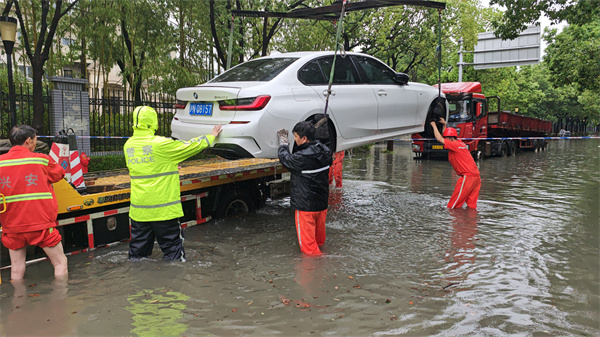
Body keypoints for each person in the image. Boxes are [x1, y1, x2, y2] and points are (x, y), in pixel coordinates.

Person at [124, 106, 222, 261]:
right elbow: (189, 146)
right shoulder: (161, 144)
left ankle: (138, 283)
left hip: (139, 212)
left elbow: (147, 166)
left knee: (137, 256)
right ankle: (173, 284)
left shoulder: (128, 145)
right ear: (153, 122)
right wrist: (210, 137)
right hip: (164, 211)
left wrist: (168, 164)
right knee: (174, 255)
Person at [0, 125, 67, 280]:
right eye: (35, 139)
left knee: (16, 269)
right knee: (60, 263)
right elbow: (59, 174)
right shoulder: (41, 160)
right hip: (40, 225)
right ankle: (62, 301)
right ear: (28, 141)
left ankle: (19, 302)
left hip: (11, 226)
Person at [277, 121, 332, 256]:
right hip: (322, 206)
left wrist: (283, 143)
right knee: (319, 242)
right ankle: (323, 270)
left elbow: (285, 158)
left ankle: (314, 272)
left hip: (306, 208)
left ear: (304, 138)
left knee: (309, 251)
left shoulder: (301, 158)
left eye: (295, 136)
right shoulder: (326, 151)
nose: (294, 139)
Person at [430, 118, 481, 209]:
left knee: (452, 206)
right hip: (476, 177)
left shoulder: (454, 145)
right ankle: (471, 222)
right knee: (471, 205)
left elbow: (439, 138)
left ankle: (454, 221)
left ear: (451, 138)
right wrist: (445, 125)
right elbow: (445, 137)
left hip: (467, 177)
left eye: (446, 138)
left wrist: (433, 125)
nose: (445, 140)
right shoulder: (460, 143)